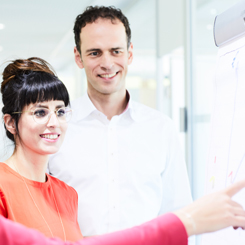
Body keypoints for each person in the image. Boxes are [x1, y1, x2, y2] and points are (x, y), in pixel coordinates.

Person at [0, 13, 245, 245]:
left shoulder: (154, 132)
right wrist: (188, 221)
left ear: (131, 53)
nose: (53, 124)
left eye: (59, 111)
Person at [48, 5, 193, 237]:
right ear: (78, 57)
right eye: (95, 53)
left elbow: (178, 214)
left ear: (130, 53)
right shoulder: (54, 128)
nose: (107, 63)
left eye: (116, 51)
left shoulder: (160, 128)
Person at [0, 58, 82, 241]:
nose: (54, 123)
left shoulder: (68, 194)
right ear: (10, 123)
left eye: (60, 112)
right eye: (40, 112)